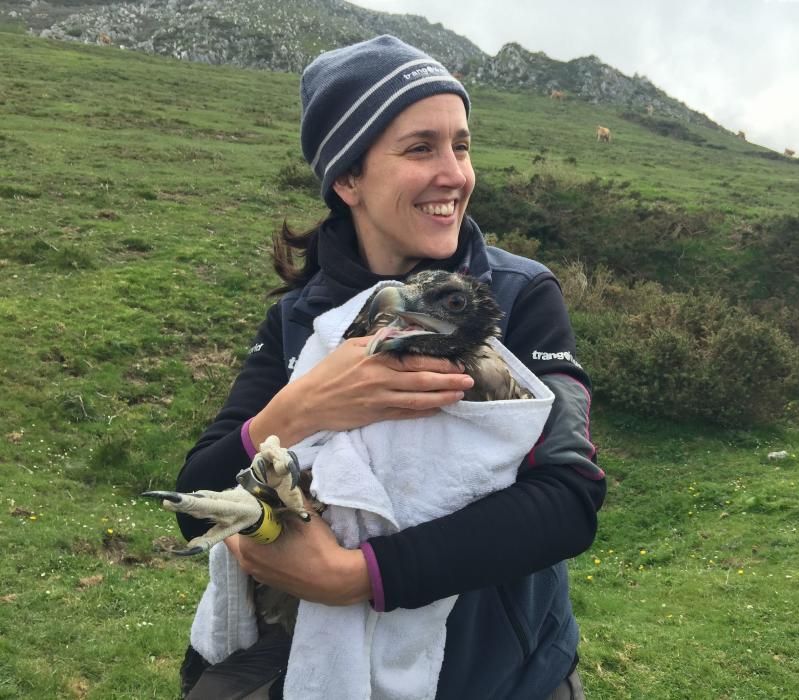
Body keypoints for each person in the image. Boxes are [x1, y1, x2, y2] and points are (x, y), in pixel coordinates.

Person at [175, 34, 605, 700]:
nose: (454, 174)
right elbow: (194, 504)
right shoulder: (298, 321)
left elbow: (569, 500)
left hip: (501, 679)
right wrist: (301, 408)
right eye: (420, 148)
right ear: (347, 178)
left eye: (460, 145)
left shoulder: (519, 296)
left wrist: (357, 575)